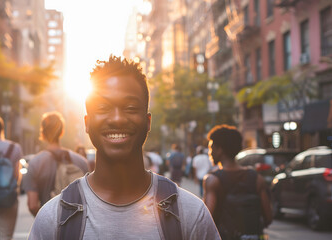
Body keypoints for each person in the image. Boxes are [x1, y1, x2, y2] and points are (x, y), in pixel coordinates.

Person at [29, 55, 220, 239]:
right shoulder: (52, 219)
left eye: (130, 108)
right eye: (103, 108)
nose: (117, 118)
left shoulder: (191, 215)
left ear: (147, 122)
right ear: (87, 123)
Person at [203, 125, 273, 240]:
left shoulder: (213, 180)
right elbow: (268, 218)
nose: (209, 152)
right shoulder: (256, 178)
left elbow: (206, 220)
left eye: (211, 148)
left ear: (219, 150)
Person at [23, 111, 89, 216]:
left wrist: (45, 221)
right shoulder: (81, 162)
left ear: (42, 133)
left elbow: (32, 205)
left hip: (49, 222)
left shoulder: (35, 163)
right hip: (77, 224)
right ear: (62, 132)